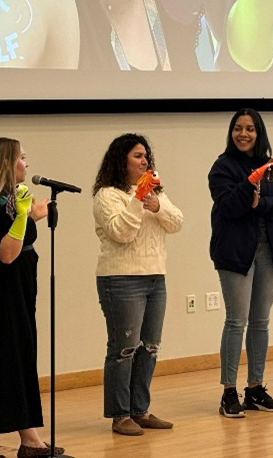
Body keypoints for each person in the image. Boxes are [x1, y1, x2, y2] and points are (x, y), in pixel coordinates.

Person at [0, 137, 64, 458]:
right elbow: (6, 253)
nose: (26, 163)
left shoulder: (6, 200)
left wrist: (30, 216)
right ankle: (30, 442)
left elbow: (10, 238)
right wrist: (24, 217)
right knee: (1, 365)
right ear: (6, 163)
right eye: (21, 157)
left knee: (9, 363)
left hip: (12, 292)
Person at [92, 133, 183, 435]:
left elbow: (176, 222)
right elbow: (122, 232)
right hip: (120, 279)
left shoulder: (154, 191)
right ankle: (120, 415)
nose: (145, 161)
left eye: (146, 156)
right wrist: (137, 201)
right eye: (137, 156)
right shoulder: (107, 194)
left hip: (155, 277)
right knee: (124, 348)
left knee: (150, 347)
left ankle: (140, 410)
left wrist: (156, 204)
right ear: (121, 160)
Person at [208, 109, 273, 418]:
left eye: (250, 129)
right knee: (236, 321)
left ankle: (255, 388)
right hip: (234, 253)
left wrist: (261, 202)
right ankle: (228, 392)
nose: (243, 134)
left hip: (268, 251)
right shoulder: (221, 168)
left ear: (259, 133)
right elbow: (229, 207)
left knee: (261, 322)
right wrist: (252, 183)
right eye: (238, 129)